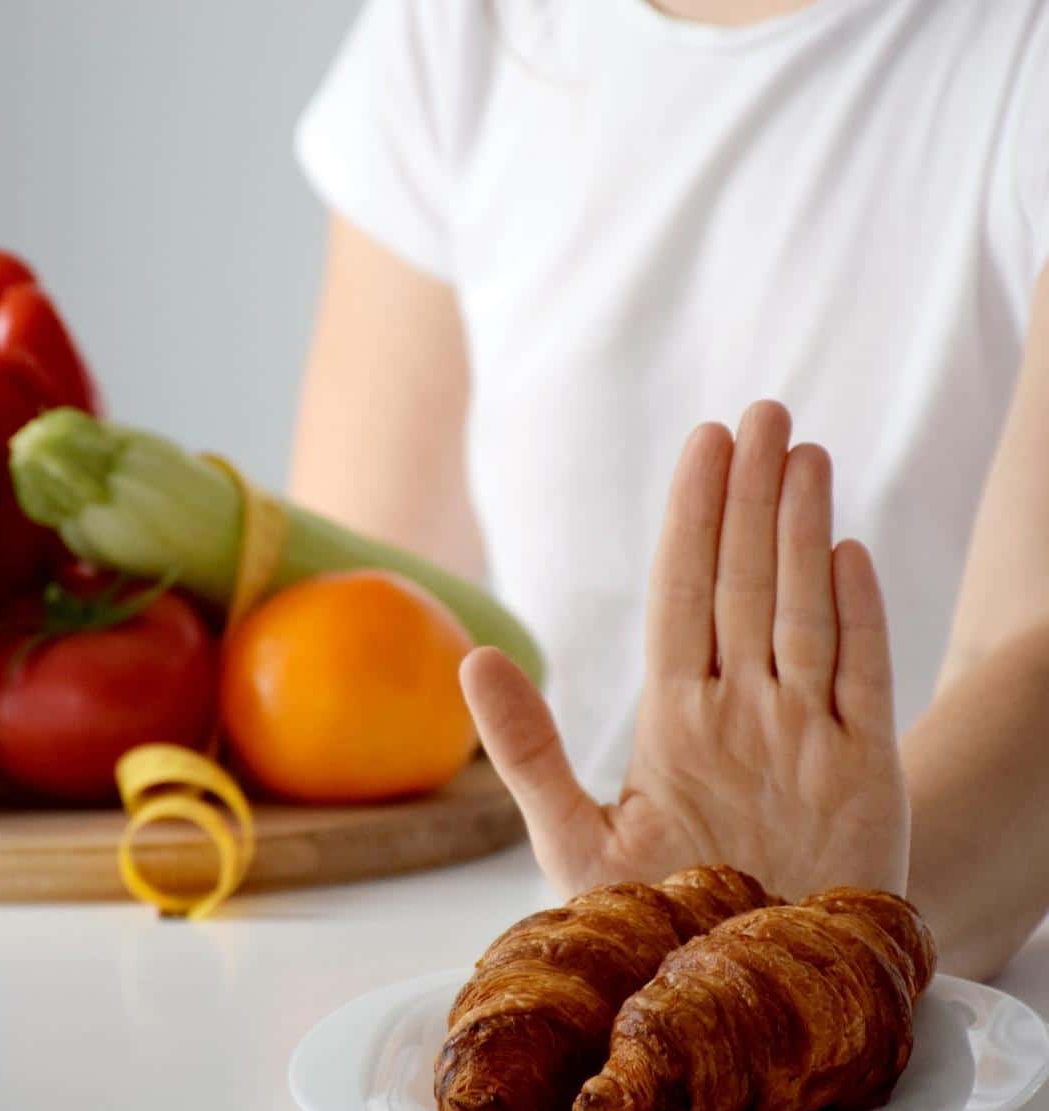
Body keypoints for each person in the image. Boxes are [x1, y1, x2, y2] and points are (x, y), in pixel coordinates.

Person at [288, 0, 1049, 980]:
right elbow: (359, 655)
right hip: (558, 1023)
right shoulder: (459, 27)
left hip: (949, 1037)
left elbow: (1032, 648)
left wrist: (806, 931)